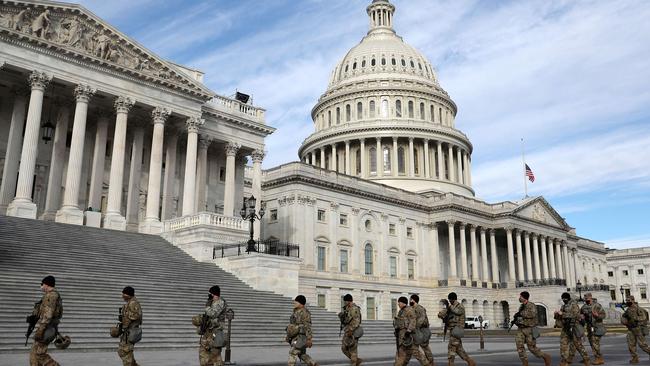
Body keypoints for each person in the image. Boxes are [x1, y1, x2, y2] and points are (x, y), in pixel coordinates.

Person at [30, 275, 63, 366]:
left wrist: (41, 330)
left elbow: (48, 315)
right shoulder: (49, 295)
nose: (41, 286)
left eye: (42, 284)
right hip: (46, 327)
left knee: (39, 353)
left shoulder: (51, 296)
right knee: (34, 352)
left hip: (46, 328)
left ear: (47, 284)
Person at [513, 291, 551, 366]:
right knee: (519, 346)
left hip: (529, 329)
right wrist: (516, 320)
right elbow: (521, 317)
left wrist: (521, 314)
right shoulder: (521, 306)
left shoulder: (531, 305)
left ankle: (545, 356)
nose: (519, 298)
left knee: (532, 348)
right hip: (521, 328)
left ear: (524, 297)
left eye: (520, 297)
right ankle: (525, 363)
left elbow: (532, 314)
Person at [438, 292, 475, 366]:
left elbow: (457, 312)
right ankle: (470, 361)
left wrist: (449, 307)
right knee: (459, 349)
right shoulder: (450, 307)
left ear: (453, 299)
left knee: (451, 347)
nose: (449, 301)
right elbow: (442, 314)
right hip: (452, 330)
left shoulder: (460, 306)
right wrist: (442, 314)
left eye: (450, 300)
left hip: (457, 330)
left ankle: (451, 363)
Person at [554, 292, 589, 366]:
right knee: (563, 343)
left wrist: (562, 314)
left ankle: (586, 359)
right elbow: (561, 317)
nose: (564, 300)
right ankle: (564, 360)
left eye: (565, 299)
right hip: (566, 327)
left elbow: (575, 315)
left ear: (568, 298)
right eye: (563, 299)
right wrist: (557, 314)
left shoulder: (574, 305)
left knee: (578, 345)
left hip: (574, 327)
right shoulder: (563, 306)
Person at [199, 285, 228, 366]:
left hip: (216, 331)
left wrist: (207, 307)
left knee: (215, 356)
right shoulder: (212, 302)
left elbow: (213, 314)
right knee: (203, 354)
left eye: (210, 293)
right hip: (208, 331)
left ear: (214, 294)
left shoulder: (221, 302)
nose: (209, 295)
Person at [287, 295, 318, 366]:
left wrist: (309, 339)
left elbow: (308, 326)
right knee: (302, 354)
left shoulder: (305, 313)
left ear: (301, 303)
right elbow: (292, 325)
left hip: (301, 337)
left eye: (296, 301)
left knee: (293, 352)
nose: (294, 302)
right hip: (295, 336)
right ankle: (313, 364)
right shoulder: (295, 312)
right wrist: (288, 336)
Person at [394, 296, 424, 366]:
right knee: (400, 355)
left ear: (403, 303)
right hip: (401, 337)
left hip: (408, 337)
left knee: (417, 354)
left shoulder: (409, 310)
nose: (398, 304)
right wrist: (397, 328)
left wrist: (408, 331)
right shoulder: (401, 311)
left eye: (399, 302)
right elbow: (400, 322)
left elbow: (413, 321)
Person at [622, 295, 650, 364]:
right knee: (630, 345)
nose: (628, 302)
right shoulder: (628, 310)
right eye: (627, 301)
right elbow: (624, 317)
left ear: (633, 300)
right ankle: (635, 358)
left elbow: (643, 318)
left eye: (629, 300)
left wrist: (635, 318)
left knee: (642, 345)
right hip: (631, 329)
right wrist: (623, 321)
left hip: (638, 329)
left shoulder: (638, 309)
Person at [118, 286, 142, 366]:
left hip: (131, 331)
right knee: (126, 351)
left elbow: (137, 315)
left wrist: (126, 316)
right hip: (127, 331)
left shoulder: (133, 303)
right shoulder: (129, 303)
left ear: (128, 294)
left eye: (124, 294)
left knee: (124, 351)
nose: (122, 296)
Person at [580, 293, 606, 365]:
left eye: (588, 298)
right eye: (585, 299)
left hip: (597, 327)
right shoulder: (583, 307)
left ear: (591, 298)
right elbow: (582, 317)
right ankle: (598, 357)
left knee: (595, 343)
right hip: (589, 327)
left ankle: (598, 358)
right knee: (592, 343)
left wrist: (598, 316)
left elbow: (604, 315)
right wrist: (582, 318)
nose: (586, 300)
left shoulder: (597, 305)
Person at [410, 294, 434, 366]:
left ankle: (431, 362)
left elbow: (422, 319)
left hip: (423, 330)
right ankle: (427, 363)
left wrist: (414, 327)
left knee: (425, 347)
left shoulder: (420, 308)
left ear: (413, 300)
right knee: (415, 348)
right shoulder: (412, 308)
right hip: (417, 330)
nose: (409, 301)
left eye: (410, 299)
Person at [339, 294, 362, 365]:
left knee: (353, 350)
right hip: (347, 331)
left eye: (345, 301)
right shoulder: (347, 309)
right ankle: (356, 360)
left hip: (353, 332)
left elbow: (357, 321)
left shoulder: (355, 309)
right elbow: (345, 320)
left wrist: (351, 330)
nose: (344, 303)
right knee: (344, 348)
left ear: (348, 301)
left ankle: (354, 362)